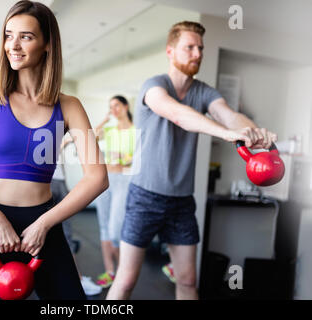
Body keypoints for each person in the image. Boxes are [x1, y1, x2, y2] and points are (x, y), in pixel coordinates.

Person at [0, 0, 108, 300]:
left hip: (42, 226)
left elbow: (97, 177)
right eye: (8, 35)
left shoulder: (69, 107)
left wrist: (44, 224)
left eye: (25, 36)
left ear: (47, 44)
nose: (13, 45)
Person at [106, 21, 278, 300]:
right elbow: (178, 115)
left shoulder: (203, 91)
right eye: (190, 47)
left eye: (200, 48)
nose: (197, 53)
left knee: (187, 281)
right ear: (170, 51)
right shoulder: (154, 86)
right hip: (144, 198)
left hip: (181, 202)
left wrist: (252, 132)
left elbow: (227, 114)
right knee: (126, 281)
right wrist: (227, 133)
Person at [93, 95, 136, 288]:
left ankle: (122, 272)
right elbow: (91, 136)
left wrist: (125, 158)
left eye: (117, 105)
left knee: (115, 229)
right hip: (105, 179)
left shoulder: (136, 130)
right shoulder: (109, 129)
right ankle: (110, 271)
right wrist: (105, 118)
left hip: (124, 180)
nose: (114, 109)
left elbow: (138, 158)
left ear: (126, 106)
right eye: (111, 107)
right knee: (103, 227)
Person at [51, 138, 102, 296]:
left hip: (58, 183)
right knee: (62, 234)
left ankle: (75, 278)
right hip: (51, 184)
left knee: (63, 234)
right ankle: (76, 279)